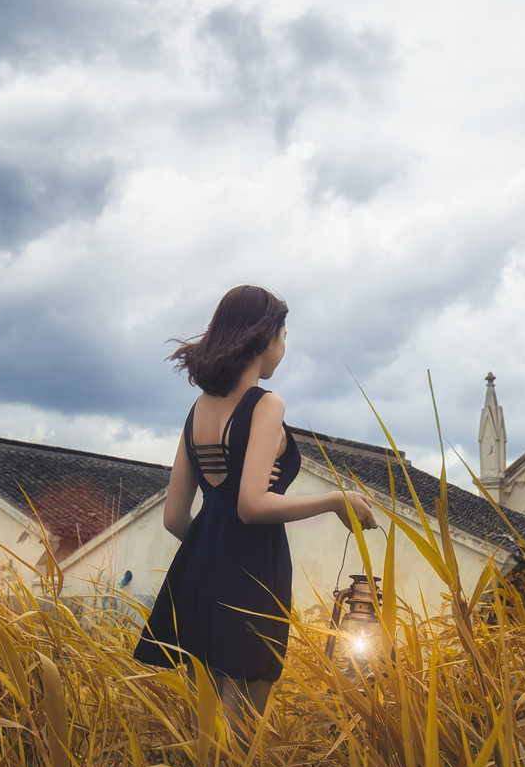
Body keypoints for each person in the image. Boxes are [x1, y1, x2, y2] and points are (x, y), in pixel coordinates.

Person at [132, 284, 380, 736]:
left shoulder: (198, 410)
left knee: (204, 740)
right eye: (283, 335)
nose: (283, 347)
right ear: (265, 338)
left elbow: (173, 517)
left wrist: (213, 551)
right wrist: (336, 501)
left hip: (200, 577)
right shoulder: (266, 405)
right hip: (252, 577)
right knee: (240, 739)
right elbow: (251, 505)